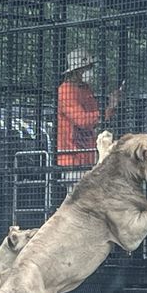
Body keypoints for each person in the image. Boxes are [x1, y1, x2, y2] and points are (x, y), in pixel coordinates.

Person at [57, 48, 122, 188]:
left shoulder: (86, 89)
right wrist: (106, 110)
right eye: (87, 68)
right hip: (72, 157)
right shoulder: (65, 90)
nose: (90, 71)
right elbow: (82, 121)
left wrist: (111, 108)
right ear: (76, 70)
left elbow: (96, 119)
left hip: (89, 155)